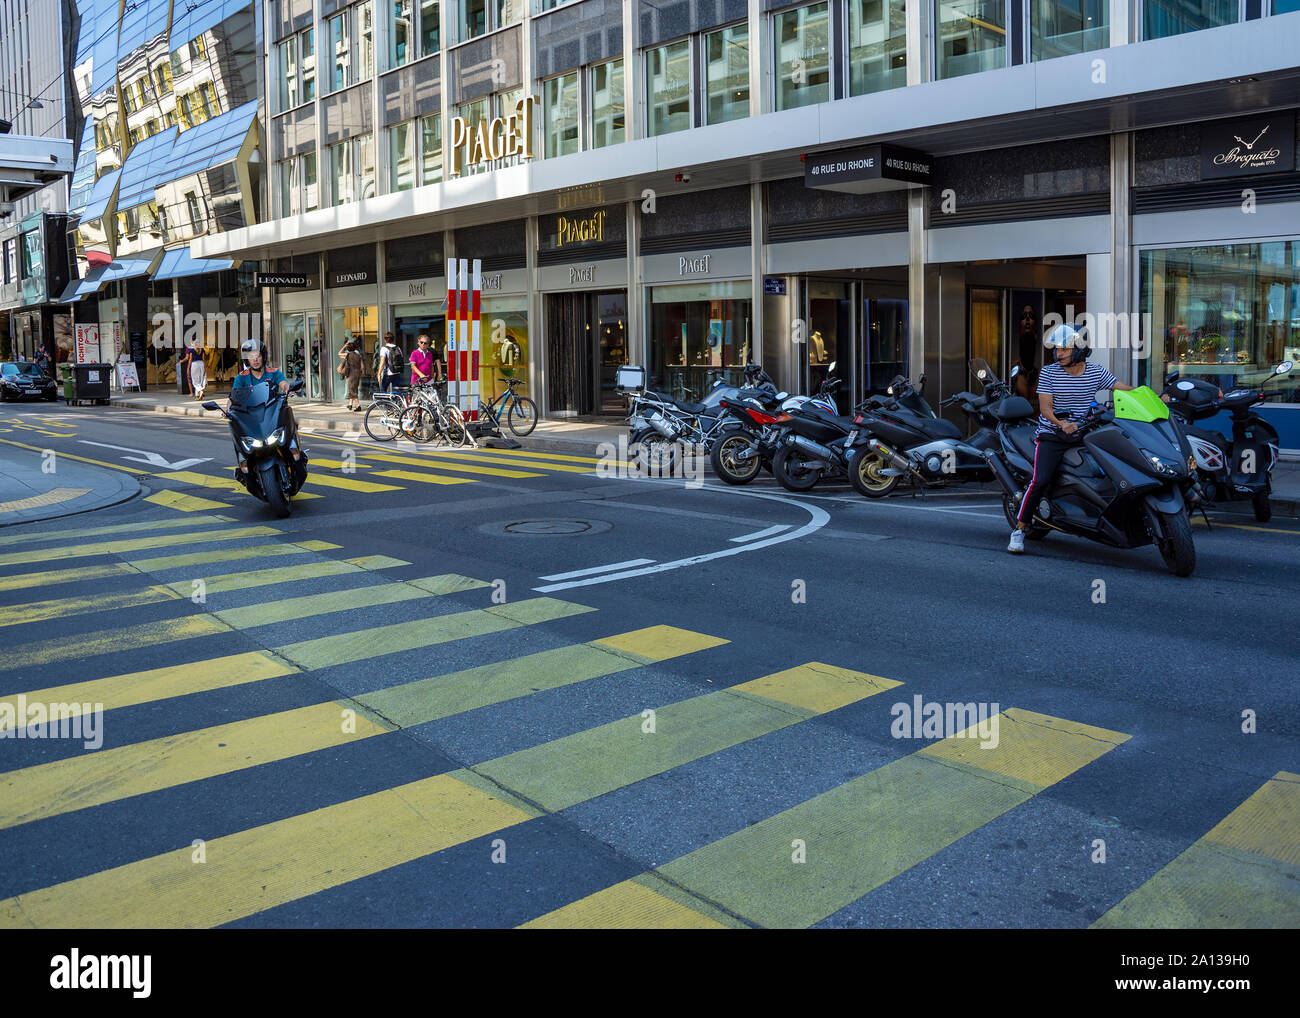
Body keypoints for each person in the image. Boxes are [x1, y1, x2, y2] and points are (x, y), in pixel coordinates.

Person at [1008, 323, 1135, 555]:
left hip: (1084, 431)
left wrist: (1154, 397)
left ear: (1079, 349)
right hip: (1053, 434)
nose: (1059, 354)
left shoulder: (1095, 371)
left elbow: (1123, 389)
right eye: (1057, 349)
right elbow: (1045, 409)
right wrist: (1061, 424)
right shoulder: (1049, 372)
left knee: (1109, 470)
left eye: (1064, 349)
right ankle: (1019, 529)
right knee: (1041, 479)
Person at [338, 339, 363, 411]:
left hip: (350, 374)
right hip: (357, 374)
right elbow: (362, 367)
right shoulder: (358, 356)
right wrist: (361, 373)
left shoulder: (347, 355)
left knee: (352, 390)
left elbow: (339, 353)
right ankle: (350, 404)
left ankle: (358, 405)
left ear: (348, 348)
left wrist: (344, 346)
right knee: (353, 389)